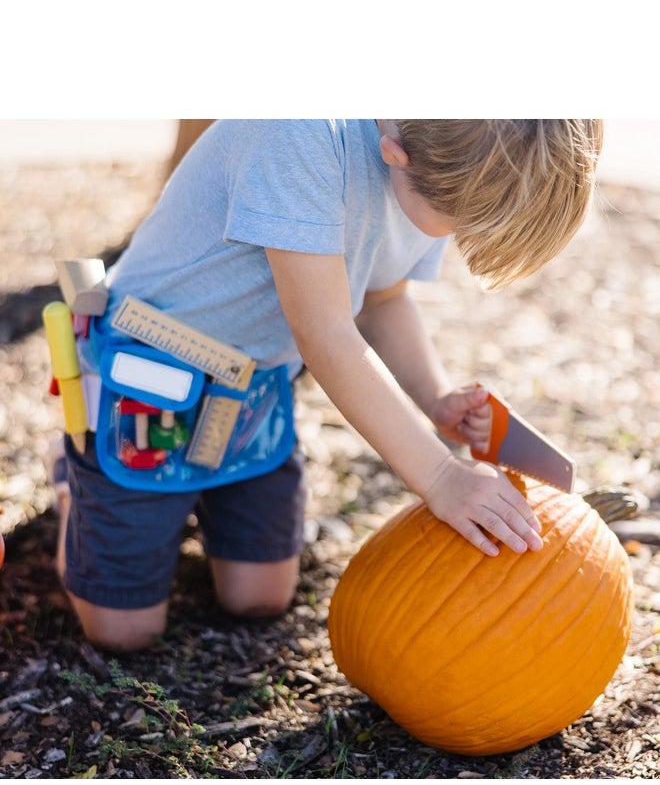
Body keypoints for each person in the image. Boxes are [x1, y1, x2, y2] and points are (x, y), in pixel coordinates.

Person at [52, 119, 603, 652]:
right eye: (456, 221)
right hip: (148, 381)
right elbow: (328, 338)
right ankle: (74, 481)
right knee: (123, 633)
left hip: (249, 396)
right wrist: (440, 476)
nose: (457, 234)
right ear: (396, 155)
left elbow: (384, 301)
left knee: (258, 599)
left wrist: (434, 398)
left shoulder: (442, 151)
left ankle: (175, 503)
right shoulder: (296, 133)